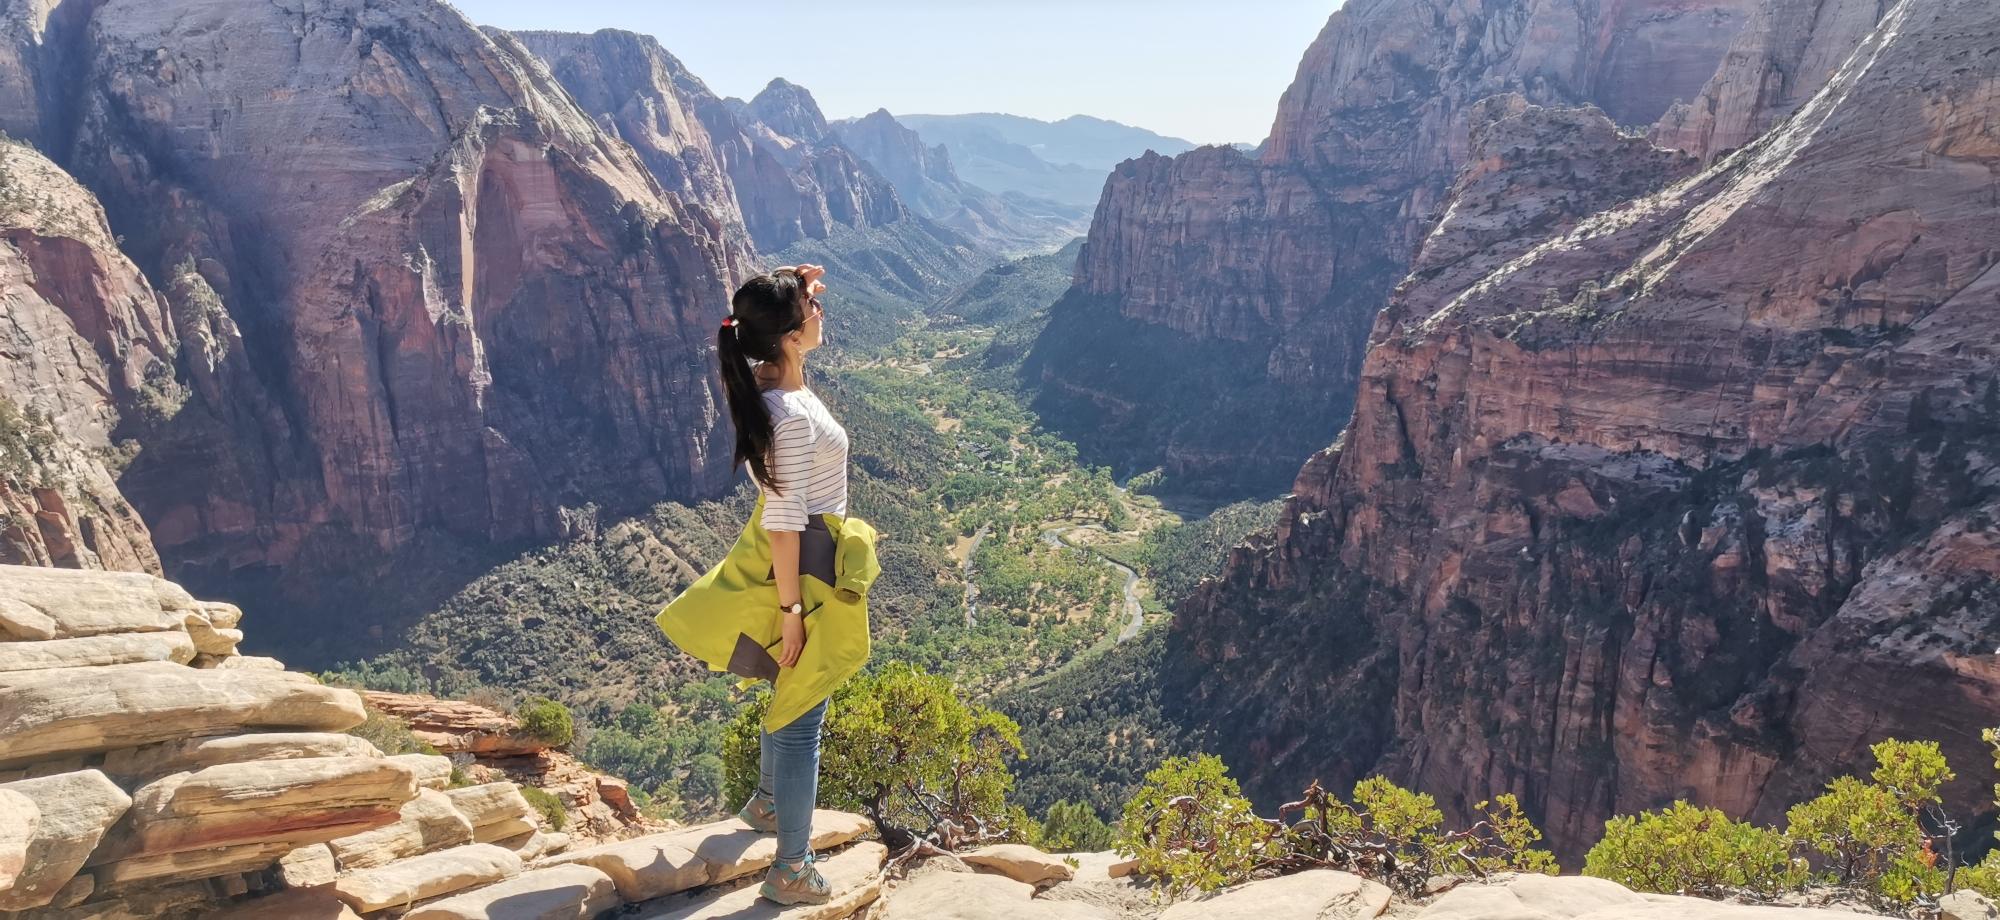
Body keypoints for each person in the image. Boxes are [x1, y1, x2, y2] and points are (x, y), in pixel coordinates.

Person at [657, 264, 878, 906]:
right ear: (787, 334)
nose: (821, 313)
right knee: (806, 704)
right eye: (812, 307)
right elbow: (784, 522)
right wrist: (791, 611)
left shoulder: (773, 385)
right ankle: (790, 868)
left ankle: (764, 804)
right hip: (803, 563)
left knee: (793, 687)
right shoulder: (784, 413)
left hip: (813, 550)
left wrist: (794, 282)